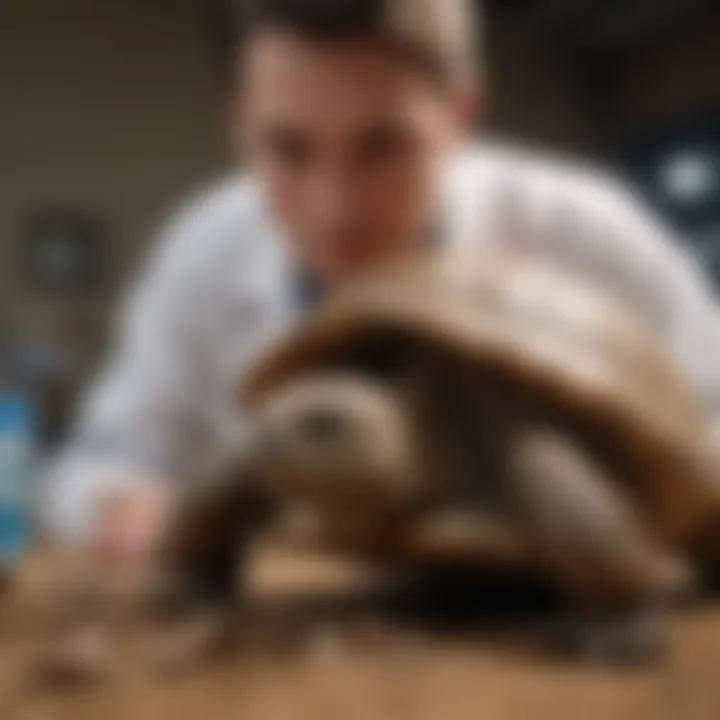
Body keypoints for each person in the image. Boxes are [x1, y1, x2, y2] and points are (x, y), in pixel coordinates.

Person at [43, 0, 720, 569]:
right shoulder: (204, 251)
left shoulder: (588, 235)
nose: (333, 209)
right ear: (239, 124)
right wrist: (121, 504)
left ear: (459, 114)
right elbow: (102, 461)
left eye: (383, 147)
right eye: (287, 148)